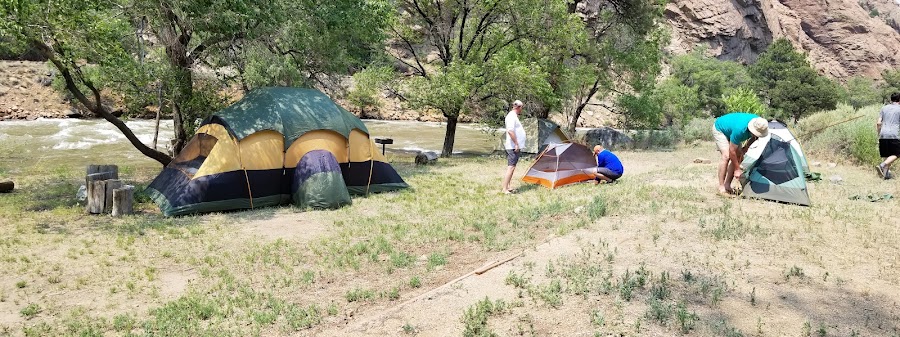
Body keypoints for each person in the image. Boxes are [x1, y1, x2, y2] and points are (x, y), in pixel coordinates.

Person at [712, 112, 769, 196]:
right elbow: (732, 151)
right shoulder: (740, 129)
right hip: (720, 129)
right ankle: (721, 187)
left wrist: (746, 147)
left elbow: (755, 137)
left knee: (739, 156)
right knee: (726, 156)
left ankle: (727, 185)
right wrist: (737, 169)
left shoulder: (760, 123)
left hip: (732, 130)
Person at [501, 100, 526, 194]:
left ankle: (508, 186)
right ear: (518, 107)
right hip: (512, 146)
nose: (521, 110)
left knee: (513, 166)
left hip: (514, 146)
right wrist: (516, 143)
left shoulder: (513, 116)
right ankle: (504, 189)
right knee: (511, 167)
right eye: (521, 108)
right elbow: (510, 131)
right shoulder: (511, 117)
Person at [876, 93, 900, 179]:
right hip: (894, 134)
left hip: (883, 134)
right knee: (897, 153)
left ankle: (885, 176)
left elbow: (879, 123)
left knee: (887, 156)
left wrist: (878, 135)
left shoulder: (884, 108)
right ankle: (882, 165)